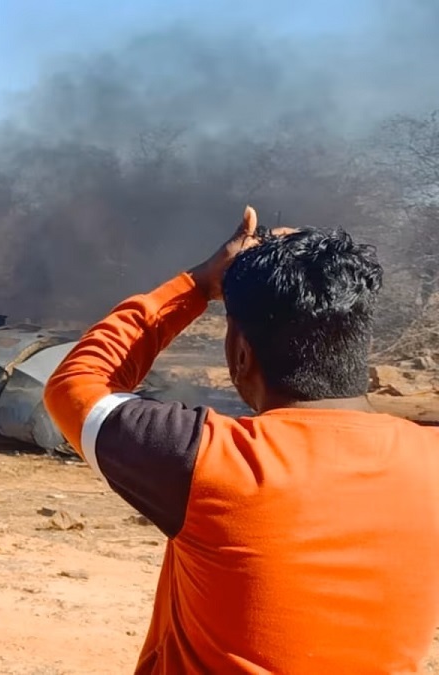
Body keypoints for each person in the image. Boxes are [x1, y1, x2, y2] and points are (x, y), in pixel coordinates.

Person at [43, 206, 439, 673]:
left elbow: (77, 384)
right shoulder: (429, 460)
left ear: (240, 353)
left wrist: (197, 285)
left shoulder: (209, 461)